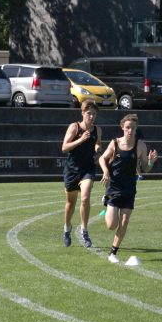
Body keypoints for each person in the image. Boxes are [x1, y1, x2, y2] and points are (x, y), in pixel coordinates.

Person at [98, 114, 158, 263]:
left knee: (124, 221)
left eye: (133, 128)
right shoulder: (115, 143)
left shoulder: (140, 146)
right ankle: (106, 200)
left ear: (136, 129)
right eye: (127, 128)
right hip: (114, 187)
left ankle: (113, 253)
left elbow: (145, 168)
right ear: (122, 128)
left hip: (129, 188)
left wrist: (151, 162)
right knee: (111, 225)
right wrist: (105, 171)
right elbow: (101, 158)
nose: (130, 131)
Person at [61, 101, 102, 247]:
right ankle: (67, 228)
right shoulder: (75, 127)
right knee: (70, 203)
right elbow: (64, 147)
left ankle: (84, 230)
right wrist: (81, 139)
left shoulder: (97, 129)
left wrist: (97, 151)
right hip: (72, 170)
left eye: (94, 114)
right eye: (89, 113)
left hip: (88, 169)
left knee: (85, 198)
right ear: (83, 113)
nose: (91, 117)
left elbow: (97, 143)